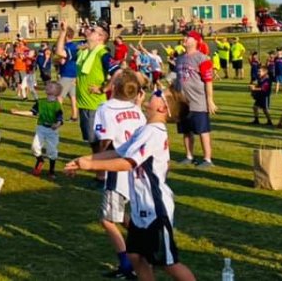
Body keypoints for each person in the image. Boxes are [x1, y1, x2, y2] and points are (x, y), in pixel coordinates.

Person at [65, 89, 196, 281]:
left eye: (158, 93)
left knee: (168, 263)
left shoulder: (154, 133)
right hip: (140, 208)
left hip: (156, 209)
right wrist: (84, 159)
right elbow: (119, 153)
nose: (154, 92)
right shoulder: (144, 129)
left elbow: (128, 163)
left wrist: (92, 165)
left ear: (162, 107)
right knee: (135, 255)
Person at [93, 70, 146, 279]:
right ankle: (143, 238)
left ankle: (126, 264)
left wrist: (97, 161)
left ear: (114, 88)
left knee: (107, 219)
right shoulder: (137, 110)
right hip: (137, 166)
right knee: (120, 212)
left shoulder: (105, 108)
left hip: (118, 167)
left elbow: (105, 139)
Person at [59, 20, 110, 183]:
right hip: (84, 104)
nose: (89, 30)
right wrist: (62, 32)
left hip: (96, 105)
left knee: (101, 140)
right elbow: (60, 51)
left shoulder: (103, 53)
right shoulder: (83, 52)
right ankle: (100, 170)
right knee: (92, 140)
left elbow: (117, 73)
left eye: (94, 30)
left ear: (101, 37)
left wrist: (103, 89)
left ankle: (102, 173)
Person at [172, 32, 215, 168]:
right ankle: (189, 156)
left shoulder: (202, 59)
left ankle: (207, 159)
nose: (184, 39)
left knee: (203, 131)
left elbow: (208, 81)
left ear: (196, 41)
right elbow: (175, 77)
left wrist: (210, 100)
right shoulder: (179, 59)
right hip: (183, 102)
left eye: (187, 37)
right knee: (186, 131)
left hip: (198, 101)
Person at [11, 81, 64, 179]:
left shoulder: (57, 105)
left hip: (52, 131)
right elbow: (32, 113)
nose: (47, 86)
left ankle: (51, 171)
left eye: (50, 86)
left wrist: (56, 125)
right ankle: (40, 160)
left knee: (52, 151)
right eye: (47, 85)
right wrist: (18, 112)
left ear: (56, 92)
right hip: (41, 128)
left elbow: (60, 119)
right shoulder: (40, 102)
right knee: (34, 147)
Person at [54, 26, 79, 122]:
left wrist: (56, 59)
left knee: (59, 96)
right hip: (74, 73)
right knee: (72, 96)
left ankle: (58, 117)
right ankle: (74, 116)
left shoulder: (66, 47)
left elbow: (62, 61)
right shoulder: (75, 46)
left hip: (66, 73)